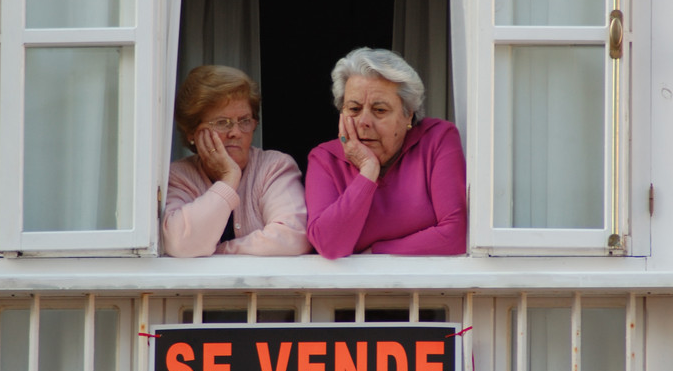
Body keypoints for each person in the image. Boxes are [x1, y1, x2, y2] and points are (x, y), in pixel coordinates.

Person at [305, 48, 467, 259]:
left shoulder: (437, 139)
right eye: (354, 109)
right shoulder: (325, 159)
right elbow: (328, 245)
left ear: (408, 115)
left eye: (379, 110)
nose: (364, 122)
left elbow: (455, 235)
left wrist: (378, 252)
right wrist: (368, 170)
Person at [162, 65, 311, 257]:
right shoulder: (178, 176)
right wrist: (229, 179)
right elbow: (181, 243)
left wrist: (221, 250)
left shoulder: (274, 167)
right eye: (222, 123)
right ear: (192, 131)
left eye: (244, 121)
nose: (236, 133)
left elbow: (294, 237)